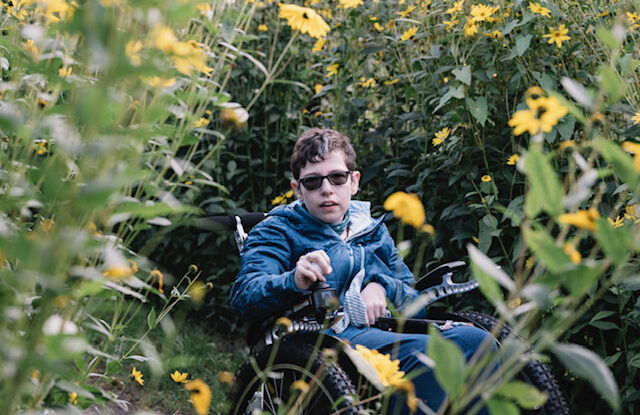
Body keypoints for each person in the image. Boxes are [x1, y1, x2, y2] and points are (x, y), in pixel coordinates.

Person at [230, 127, 496, 414]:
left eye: (337, 177)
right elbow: (245, 295)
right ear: (297, 189)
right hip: (321, 338)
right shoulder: (277, 230)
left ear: (353, 182)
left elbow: (414, 301)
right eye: (313, 182)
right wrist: (292, 280)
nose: (327, 189)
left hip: (381, 331)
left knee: (478, 341)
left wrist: (380, 285)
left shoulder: (371, 231)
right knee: (423, 359)